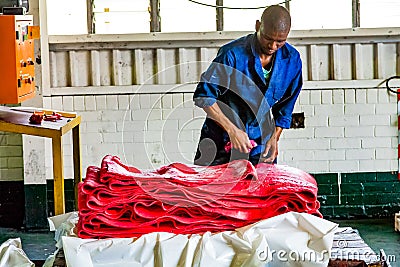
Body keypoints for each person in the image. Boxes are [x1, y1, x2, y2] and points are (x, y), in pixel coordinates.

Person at [193, 5, 302, 166]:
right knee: (212, 190)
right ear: (258, 26)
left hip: (260, 144)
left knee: (262, 189)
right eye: (268, 38)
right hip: (219, 141)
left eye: (280, 41)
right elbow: (204, 96)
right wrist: (232, 130)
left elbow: (285, 108)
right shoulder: (232, 54)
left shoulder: (292, 60)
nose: (272, 46)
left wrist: (274, 137)